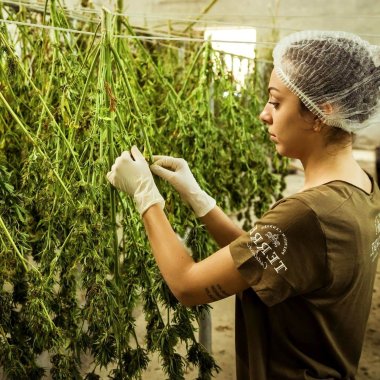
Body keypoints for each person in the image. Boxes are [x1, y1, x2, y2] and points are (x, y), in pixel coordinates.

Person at [107, 30, 380, 380]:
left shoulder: (308, 215)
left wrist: (146, 197)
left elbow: (188, 285)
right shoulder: (361, 188)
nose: (264, 115)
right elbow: (263, 261)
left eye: (276, 102)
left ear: (320, 114)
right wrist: (201, 201)